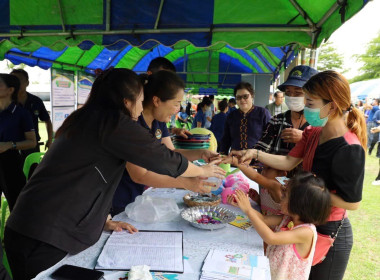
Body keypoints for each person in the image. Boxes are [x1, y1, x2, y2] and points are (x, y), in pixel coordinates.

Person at [4, 68, 224, 279]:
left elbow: (86, 176)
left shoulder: (89, 118)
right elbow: (163, 157)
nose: (141, 105)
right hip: (43, 233)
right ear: (125, 102)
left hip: (39, 227)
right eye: (139, 99)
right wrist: (201, 171)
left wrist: (102, 220)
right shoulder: (114, 124)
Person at [229, 70, 366, 280]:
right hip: (302, 219)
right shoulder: (313, 133)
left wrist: (303, 192)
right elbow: (287, 161)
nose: (305, 108)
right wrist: (254, 153)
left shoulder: (349, 149)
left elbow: (353, 203)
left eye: (310, 103)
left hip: (328, 231)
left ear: (332, 105)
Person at [111, 71, 221, 216]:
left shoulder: (159, 121)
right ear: (157, 101)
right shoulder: (133, 123)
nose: (178, 110)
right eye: (176, 104)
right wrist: (187, 182)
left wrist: (200, 153)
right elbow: (140, 175)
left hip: (139, 197)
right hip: (119, 199)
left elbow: (170, 154)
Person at [228, 172, 331, 280]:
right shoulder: (287, 218)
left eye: (285, 196)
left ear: (298, 204)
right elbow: (264, 220)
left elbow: (271, 238)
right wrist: (243, 207)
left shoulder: (306, 232)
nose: (281, 197)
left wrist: (248, 210)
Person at [254, 65, 318, 214]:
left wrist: (305, 139)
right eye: (288, 92)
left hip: (304, 196)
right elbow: (260, 150)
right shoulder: (277, 121)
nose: (292, 97)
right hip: (273, 191)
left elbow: (325, 156)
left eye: (298, 92)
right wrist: (246, 156)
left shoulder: (318, 125)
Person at [0, 74, 36, 211]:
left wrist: (10, 145)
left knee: (16, 206)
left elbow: (32, 142)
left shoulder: (22, 114)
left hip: (11, 163)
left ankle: (13, 232)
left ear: (10, 90)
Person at [220, 82, 271, 154]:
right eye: (238, 97)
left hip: (257, 161)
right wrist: (222, 156)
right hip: (235, 160)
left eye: (245, 96)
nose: (242, 100)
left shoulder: (263, 113)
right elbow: (226, 140)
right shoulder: (231, 116)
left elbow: (270, 138)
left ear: (252, 96)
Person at [11, 69, 53, 156]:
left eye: (19, 79)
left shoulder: (36, 101)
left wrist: (49, 140)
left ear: (27, 83)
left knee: (32, 169)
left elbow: (47, 121)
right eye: (13, 80)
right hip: (11, 147)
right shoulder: (5, 101)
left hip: (32, 145)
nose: (16, 83)